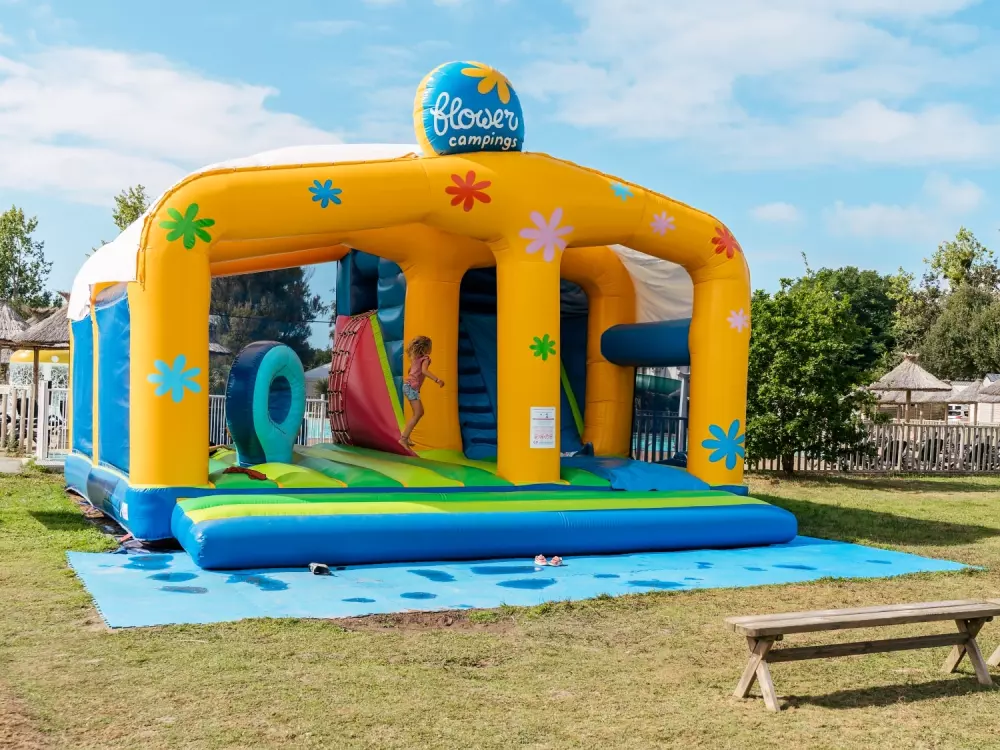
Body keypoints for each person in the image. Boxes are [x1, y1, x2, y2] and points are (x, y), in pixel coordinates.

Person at [399, 335, 444, 448]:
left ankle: (406, 436)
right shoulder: (425, 358)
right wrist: (437, 380)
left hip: (408, 386)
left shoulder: (415, 358)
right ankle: (403, 439)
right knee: (418, 413)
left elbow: (410, 370)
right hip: (411, 387)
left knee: (418, 413)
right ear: (426, 347)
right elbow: (424, 371)